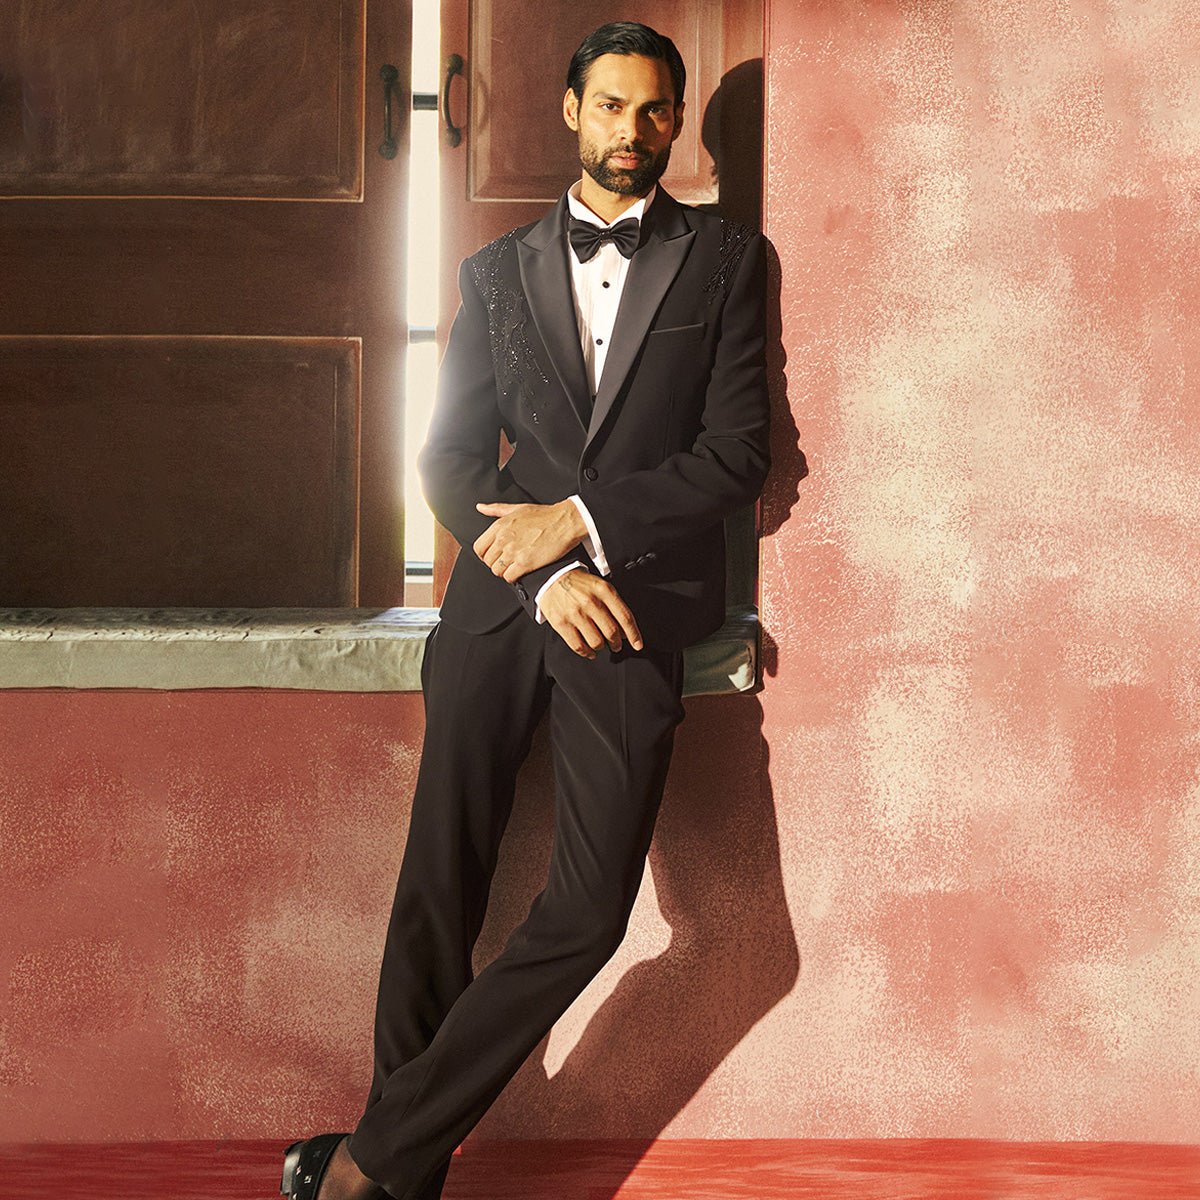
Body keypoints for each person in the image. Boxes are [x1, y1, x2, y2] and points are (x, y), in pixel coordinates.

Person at [280, 20, 770, 1200]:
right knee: (440, 879)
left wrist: (582, 524)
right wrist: (545, 569)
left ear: (679, 121)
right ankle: (398, 1178)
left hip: (634, 609)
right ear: (568, 109)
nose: (632, 132)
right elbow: (448, 462)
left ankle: (370, 1161)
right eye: (611, 106)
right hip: (506, 604)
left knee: (590, 910)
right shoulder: (494, 274)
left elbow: (737, 455)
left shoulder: (725, 261)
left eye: (654, 111)